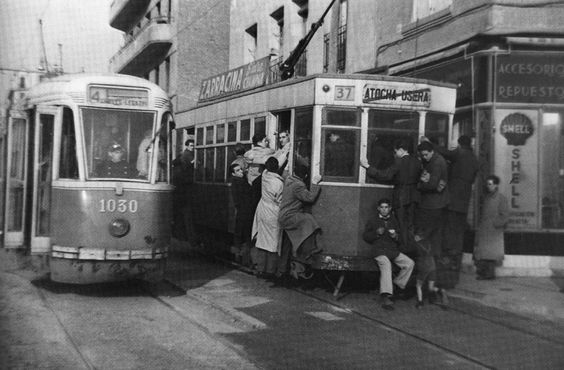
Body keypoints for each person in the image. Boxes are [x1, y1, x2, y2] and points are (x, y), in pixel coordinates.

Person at [423, 135, 480, 287]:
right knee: (457, 233)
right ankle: (453, 264)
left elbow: (445, 152)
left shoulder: (460, 153)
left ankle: (443, 265)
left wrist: (429, 143)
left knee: (447, 230)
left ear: (460, 145)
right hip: (464, 200)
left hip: (452, 198)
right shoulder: (474, 159)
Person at [361, 139, 421, 250]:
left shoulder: (399, 162)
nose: (395, 154)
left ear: (402, 150)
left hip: (401, 196)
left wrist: (368, 167)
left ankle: (404, 249)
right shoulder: (417, 162)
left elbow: (385, 175)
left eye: (396, 151)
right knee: (411, 224)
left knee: (401, 224)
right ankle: (412, 250)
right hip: (414, 196)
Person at [362, 198, 414, 310]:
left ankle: (396, 284)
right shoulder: (373, 220)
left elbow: (400, 239)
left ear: (390, 209)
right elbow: (366, 236)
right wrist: (376, 233)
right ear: (378, 208)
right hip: (379, 251)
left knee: (409, 263)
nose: (384, 210)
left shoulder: (394, 220)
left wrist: (395, 236)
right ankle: (386, 295)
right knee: (386, 265)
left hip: (392, 250)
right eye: (382, 207)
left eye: (386, 207)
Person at [278, 165, 323, 280]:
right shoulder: (299, 185)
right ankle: (309, 252)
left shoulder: (289, 180)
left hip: (284, 216)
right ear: (305, 175)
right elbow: (310, 198)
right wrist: (315, 183)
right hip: (290, 216)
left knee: (288, 243)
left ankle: (285, 269)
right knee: (309, 220)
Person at [251, 157, 285, 277]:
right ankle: (270, 270)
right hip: (273, 211)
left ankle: (260, 267)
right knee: (273, 241)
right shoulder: (279, 183)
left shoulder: (265, 176)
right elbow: (279, 200)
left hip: (262, 208)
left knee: (262, 239)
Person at [416, 141, 449, 259]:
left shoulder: (436, 163)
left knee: (426, 233)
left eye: (426, 155)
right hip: (437, 203)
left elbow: (432, 185)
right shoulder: (435, 159)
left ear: (432, 151)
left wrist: (419, 185)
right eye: (422, 155)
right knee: (435, 234)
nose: (424, 157)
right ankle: (434, 260)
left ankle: (428, 260)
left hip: (432, 204)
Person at [474, 175, 509, 280]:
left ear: (496, 185)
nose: (488, 186)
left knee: (491, 254)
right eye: (487, 184)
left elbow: (505, 215)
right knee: (485, 253)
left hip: (494, 231)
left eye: (490, 184)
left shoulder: (501, 198)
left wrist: (495, 224)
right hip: (485, 229)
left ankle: (489, 274)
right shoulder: (486, 197)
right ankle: (485, 273)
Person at [412, 228, 448, 308]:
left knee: (418, 285)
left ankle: (420, 302)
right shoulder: (428, 242)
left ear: (417, 236)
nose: (414, 238)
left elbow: (414, 254)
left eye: (415, 236)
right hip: (432, 265)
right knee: (430, 287)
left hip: (423, 266)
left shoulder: (416, 245)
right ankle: (441, 291)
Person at [229, 163, 254, 266]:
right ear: (233, 173)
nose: (241, 171)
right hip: (244, 210)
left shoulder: (237, 181)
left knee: (239, 233)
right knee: (245, 233)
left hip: (241, 210)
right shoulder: (239, 182)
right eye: (238, 170)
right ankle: (243, 256)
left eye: (241, 169)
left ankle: (238, 255)